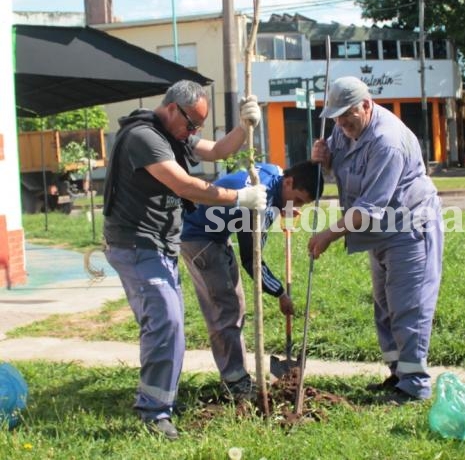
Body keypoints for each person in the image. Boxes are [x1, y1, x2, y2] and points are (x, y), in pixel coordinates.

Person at [103, 80, 268, 440]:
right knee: (166, 322)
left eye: (198, 128)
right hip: (136, 245)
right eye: (192, 124)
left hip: (159, 246)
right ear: (173, 109)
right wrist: (240, 197)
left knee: (169, 325)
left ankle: (160, 402)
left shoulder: (176, 135)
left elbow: (219, 149)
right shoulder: (143, 139)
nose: (194, 133)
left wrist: (244, 125)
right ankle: (153, 412)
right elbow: (185, 186)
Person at [308, 76, 444, 404]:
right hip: (380, 233)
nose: (341, 124)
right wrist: (324, 161)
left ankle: (414, 387)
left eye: (347, 116)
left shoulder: (388, 141)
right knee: (384, 306)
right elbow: (341, 172)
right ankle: (398, 375)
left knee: (408, 307)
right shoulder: (343, 131)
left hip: (410, 228)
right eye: (336, 118)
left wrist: (328, 234)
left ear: (366, 105)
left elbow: (369, 207)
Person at [180, 161, 323, 402]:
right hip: (199, 237)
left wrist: (283, 207)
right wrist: (280, 293)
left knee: (235, 305)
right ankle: (234, 381)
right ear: (289, 182)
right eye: (297, 200)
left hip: (215, 232)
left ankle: (238, 375)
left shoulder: (273, 171)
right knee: (225, 310)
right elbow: (252, 260)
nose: (297, 206)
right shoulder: (259, 209)